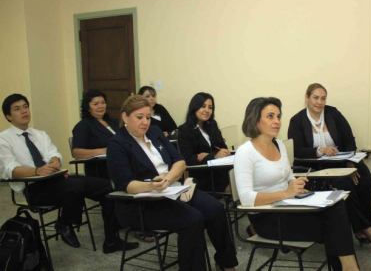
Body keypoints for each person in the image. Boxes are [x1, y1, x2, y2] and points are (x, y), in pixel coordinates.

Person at [106, 95, 238, 271]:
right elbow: (128, 185)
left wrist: (168, 179)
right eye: (139, 117)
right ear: (125, 117)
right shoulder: (117, 144)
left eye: (148, 117)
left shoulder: (154, 132)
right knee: (193, 219)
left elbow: (180, 162)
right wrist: (152, 185)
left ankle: (226, 263)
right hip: (142, 202)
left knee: (215, 209)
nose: (145, 122)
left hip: (173, 189)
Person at [0, 93, 138, 254]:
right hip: (33, 188)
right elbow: (10, 170)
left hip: (56, 180)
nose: (24, 111)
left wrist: (54, 161)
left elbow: (55, 153)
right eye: (17, 109)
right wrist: (37, 171)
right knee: (75, 184)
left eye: (25, 107)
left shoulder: (39, 134)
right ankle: (64, 223)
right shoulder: (4, 139)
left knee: (108, 187)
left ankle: (111, 240)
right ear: (8, 116)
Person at [234, 97, 359, 271]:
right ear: (255, 120)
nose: (277, 121)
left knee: (335, 206)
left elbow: (288, 176)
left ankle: (347, 267)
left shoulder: (278, 144)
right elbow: (246, 199)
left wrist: (296, 184)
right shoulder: (245, 152)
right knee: (333, 224)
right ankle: (349, 267)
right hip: (268, 218)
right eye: (270, 116)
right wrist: (286, 193)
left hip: (289, 206)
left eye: (278, 116)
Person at [288, 83, 371, 248]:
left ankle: (363, 227)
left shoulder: (333, 113)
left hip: (342, 160)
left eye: (323, 98)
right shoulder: (297, 120)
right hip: (317, 166)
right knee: (343, 183)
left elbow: (349, 140)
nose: (319, 102)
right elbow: (296, 150)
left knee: (365, 178)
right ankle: (364, 228)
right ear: (307, 98)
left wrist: (350, 165)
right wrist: (320, 150)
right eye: (315, 98)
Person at [178, 92, 232, 193]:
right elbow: (188, 160)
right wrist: (214, 156)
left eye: (210, 107)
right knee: (238, 184)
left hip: (220, 170)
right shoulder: (184, 130)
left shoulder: (212, 124)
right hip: (204, 176)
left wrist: (209, 155)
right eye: (203, 106)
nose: (207, 110)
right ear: (194, 107)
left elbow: (222, 147)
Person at [72, 89, 119, 178]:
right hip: (100, 168)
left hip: (119, 162)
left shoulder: (114, 122)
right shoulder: (83, 125)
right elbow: (76, 153)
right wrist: (103, 151)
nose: (101, 106)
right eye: (96, 104)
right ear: (88, 107)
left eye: (103, 102)